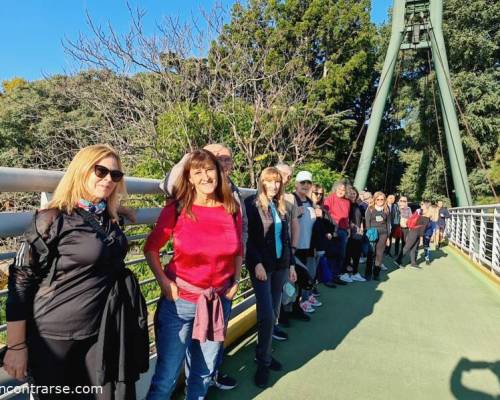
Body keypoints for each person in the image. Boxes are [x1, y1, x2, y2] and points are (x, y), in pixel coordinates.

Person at [5, 144, 148, 400]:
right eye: (100, 171)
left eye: (115, 175)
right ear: (81, 171)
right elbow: (20, 282)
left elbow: (101, 238)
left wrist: (121, 209)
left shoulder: (108, 218)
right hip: (55, 338)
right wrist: (16, 346)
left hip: (100, 334)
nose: (108, 179)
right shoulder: (52, 219)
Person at [144, 150, 243, 400]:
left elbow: (238, 247)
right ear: (188, 178)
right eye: (197, 172)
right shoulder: (178, 208)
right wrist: (164, 282)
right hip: (181, 303)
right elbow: (151, 248)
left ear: (219, 173)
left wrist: (237, 278)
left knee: (203, 372)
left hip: (218, 301)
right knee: (166, 377)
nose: (205, 177)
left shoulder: (231, 208)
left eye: (209, 170)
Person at [244, 167, 296, 388]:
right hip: (262, 266)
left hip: (281, 265)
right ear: (262, 182)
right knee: (266, 313)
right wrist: (255, 263)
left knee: (273, 312)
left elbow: (285, 237)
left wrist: (292, 264)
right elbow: (249, 239)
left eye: (277, 182)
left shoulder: (280, 205)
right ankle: (263, 361)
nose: (274, 185)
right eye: (270, 181)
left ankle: (262, 353)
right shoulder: (251, 204)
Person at [291, 171, 322, 314]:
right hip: (295, 248)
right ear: (296, 184)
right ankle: (291, 308)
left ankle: (301, 303)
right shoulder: (291, 199)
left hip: (308, 247)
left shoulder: (310, 201)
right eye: (302, 182)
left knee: (305, 277)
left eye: (308, 183)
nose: (305, 185)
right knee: (296, 279)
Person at [324, 181, 351, 285]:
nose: (341, 191)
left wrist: (348, 228)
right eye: (339, 189)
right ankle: (328, 278)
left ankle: (336, 276)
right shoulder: (329, 199)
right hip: (333, 229)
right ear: (335, 189)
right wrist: (329, 230)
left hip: (343, 230)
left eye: (343, 190)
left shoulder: (347, 202)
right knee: (331, 254)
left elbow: (346, 217)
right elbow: (326, 214)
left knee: (341, 254)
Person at [364, 192, 391, 281]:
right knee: (371, 254)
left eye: (382, 199)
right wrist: (369, 234)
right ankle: (368, 273)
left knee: (379, 254)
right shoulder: (370, 209)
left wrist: (388, 237)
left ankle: (376, 273)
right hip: (372, 234)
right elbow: (367, 223)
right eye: (378, 199)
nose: (380, 201)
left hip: (383, 234)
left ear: (384, 200)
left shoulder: (386, 209)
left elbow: (388, 224)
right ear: (374, 199)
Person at [396, 202, 431, 268]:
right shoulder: (425, 216)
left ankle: (413, 263)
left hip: (414, 232)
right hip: (414, 233)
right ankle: (398, 260)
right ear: (428, 208)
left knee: (413, 248)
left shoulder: (419, 212)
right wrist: (421, 237)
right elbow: (422, 228)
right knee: (407, 247)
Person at [343, 186, 366, 282]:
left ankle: (355, 273)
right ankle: (345, 273)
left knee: (356, 254)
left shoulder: (357, 205)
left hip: (357, 233)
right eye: (351, 193)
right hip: (349, 233)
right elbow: (345, 218)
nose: (353, 195)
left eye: (355, 193)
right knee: (348, 254)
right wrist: (350, 225)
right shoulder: (346, 204)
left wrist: (360, 227)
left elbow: (360, 218)